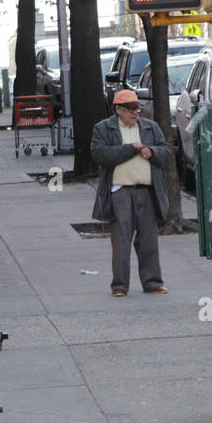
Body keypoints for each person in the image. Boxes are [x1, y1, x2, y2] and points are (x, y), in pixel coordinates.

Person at [90, 89, 171, 296]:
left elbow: (167, 152)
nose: (135, 113)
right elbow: (100, 154)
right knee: (121, 241)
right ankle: (119, 285)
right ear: (118, 110)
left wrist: (151, 152)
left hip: (146, 190)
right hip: (120, 192)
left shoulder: (150, 127)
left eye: (137, 108)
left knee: (148, 240)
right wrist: (130, 149)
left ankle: (153, 282)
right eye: (130, 109)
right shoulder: (103, 129)